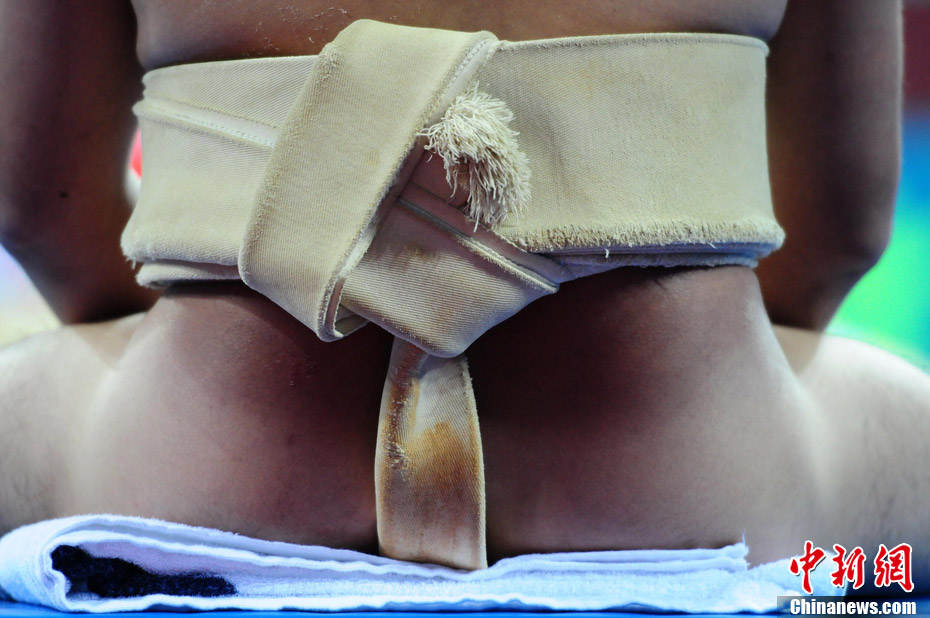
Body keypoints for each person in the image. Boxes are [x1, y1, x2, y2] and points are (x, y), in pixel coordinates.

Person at [1, 0, 928, 589]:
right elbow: (837, 234)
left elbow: (40, 208)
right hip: (701, 490)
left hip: (197, 477)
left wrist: (249, 345)